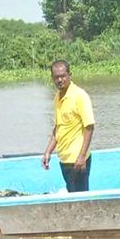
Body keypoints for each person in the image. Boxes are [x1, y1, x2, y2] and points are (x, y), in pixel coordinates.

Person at [41, 60, 95, 194]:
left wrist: (82, 157)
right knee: (72, 194)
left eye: (63, 76)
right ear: (52, 78)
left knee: (80, 200)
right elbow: (58, 128)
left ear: (69, 75)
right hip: (64, 159)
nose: (60, 80)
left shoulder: (80, 96)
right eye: (56, 77)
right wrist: (48, 152)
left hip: (78, 160)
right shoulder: (57, 98)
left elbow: (89, 127)